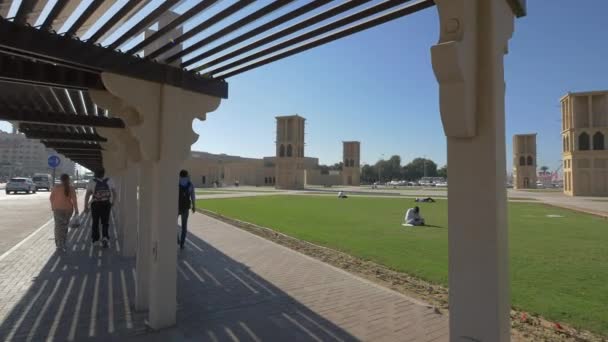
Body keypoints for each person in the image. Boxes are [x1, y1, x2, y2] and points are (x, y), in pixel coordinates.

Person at [84, 168, 116, 248]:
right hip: (106, 203)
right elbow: (114, 193)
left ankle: (96, 240)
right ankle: (105, 237)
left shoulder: (92, 181)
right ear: (104, 173)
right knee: (105, 222)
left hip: (96, 204)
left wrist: (85, 206)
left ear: (95, 174)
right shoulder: (109, 180)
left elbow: (87, 195)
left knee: (95, 222)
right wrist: (113, 202)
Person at [50, 174, 79, 252]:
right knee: (65, 226)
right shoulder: (71, 188)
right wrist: (76, 210)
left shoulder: (56, 187)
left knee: (58, 227)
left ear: (60, 179)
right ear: (68, 179)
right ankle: (63, 242)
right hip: (68, 210)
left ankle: (59, 244)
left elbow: (51, 198)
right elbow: (74, 200)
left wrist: (52, 207)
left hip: (57, 209)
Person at [178, 170, 196, 250]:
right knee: (184, 226)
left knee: (173, 225)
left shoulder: (176, 182)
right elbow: (192, 196)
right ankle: (182, 243)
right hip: (186, 207)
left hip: (177, 207)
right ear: (187, 175)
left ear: (180, 175)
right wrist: (194, 206)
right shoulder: (190, 184)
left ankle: (177, 239)